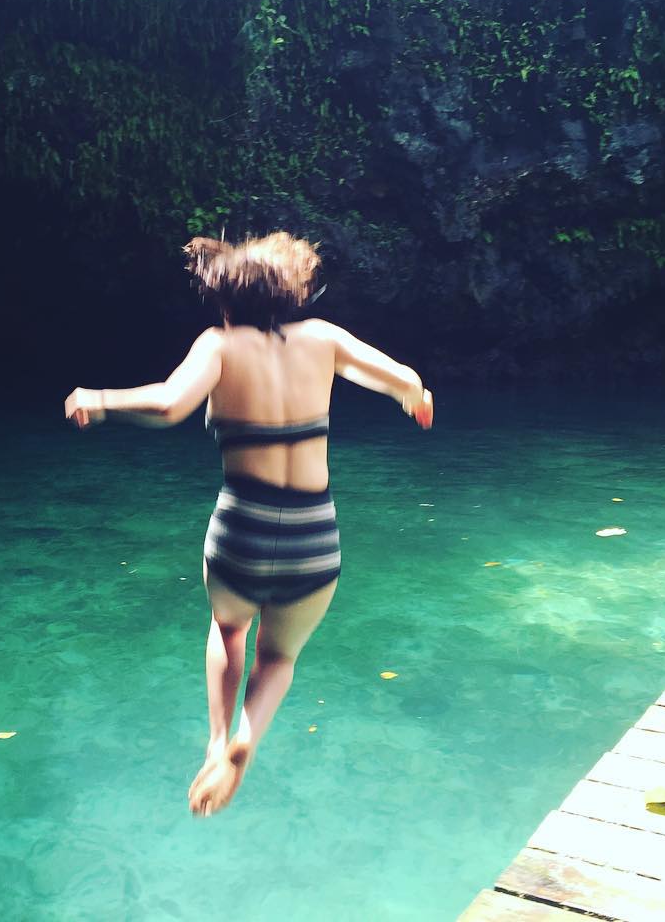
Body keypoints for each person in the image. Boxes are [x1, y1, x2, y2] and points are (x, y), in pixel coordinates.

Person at [64, 232, 433, 817]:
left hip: (241, 527)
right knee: (279, 657)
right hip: (313, 534)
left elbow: (169, 404)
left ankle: (217, 741)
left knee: (229, 628)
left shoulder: (218, 345)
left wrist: (100, 399)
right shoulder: (324, 338)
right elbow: (402, 378)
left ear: (228, 299)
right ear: (290, 294)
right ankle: (247, 737)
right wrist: (415, 398)